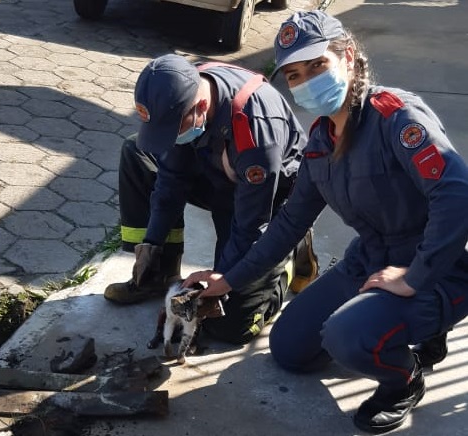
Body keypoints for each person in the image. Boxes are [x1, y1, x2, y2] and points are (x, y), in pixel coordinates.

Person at [183, 10, 468, 433]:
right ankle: (394, 328)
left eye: (318, 65)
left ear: (348, 57)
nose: (306, 81)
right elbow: (287, 225)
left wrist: (414, 277)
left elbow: (457, 193)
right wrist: (226, 280)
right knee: (289, 349)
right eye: (294, 74)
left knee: (345, 336)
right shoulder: (320, 143)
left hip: (435, 269)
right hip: (369, 262)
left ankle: (404, 379)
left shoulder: (397, 118)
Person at [104, 53, 319, 345]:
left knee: (230, 326)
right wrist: (152, 243)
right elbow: (170, 181)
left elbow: (250, 225)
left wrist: (221, 280)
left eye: (173, 130)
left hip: (265, 201)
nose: (170, 137)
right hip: (220, 174)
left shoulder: (256, 131)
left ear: (202, 107)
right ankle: (158, 275)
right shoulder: (182, 93)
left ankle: (288, 254)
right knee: (137, 153)